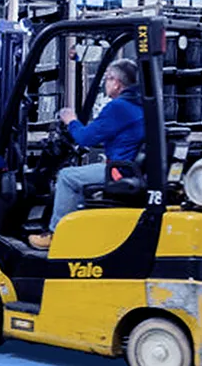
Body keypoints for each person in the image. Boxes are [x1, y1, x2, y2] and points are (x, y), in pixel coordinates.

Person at [28, 58, 145, 250]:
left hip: (118, 171)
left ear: (116, 83)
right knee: (79, 177)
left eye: (107, 78)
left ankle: (55, 235)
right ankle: (77, 230)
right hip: (129, 168)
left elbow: (85, 138)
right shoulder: (137, 105)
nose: (105, 83)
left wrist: (71, 120)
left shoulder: (118, 107)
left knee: (67, 177)